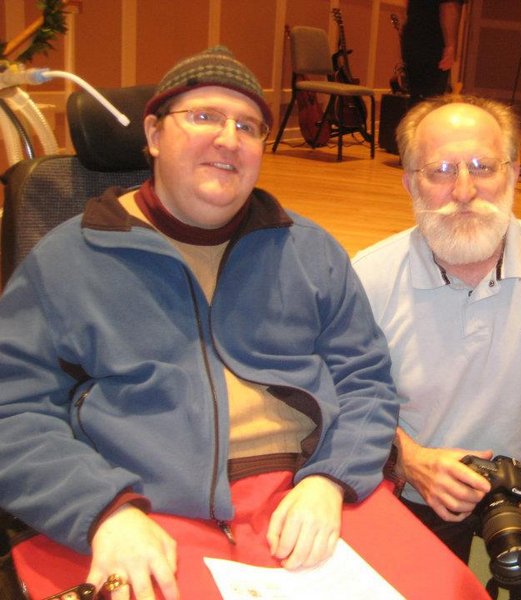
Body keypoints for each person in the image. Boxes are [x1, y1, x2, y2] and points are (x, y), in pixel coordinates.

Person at [0, 46, 400, 599]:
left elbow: (368, 381)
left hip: (310, 491)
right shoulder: (68, 259)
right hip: (140, 505)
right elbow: (12, 410)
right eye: (205, 116)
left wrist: (333, 479)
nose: (229, 138)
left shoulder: (310, 249)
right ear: (154, 134)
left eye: (249, 125)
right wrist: (103, 512)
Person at [352, 95, 521, 599]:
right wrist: (408, 459)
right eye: (441, 170)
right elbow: (341, 397)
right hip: (413, 474)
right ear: (410, 182)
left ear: (513, 175)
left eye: (482, 166)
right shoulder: (368, 275)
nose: (464, 190)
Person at [401, 0, 466, 106]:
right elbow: (449, 6)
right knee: (432, 99)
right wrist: (450, 46)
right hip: (433, 41)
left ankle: (415, 121)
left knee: (416, 97)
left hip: (412, 36)